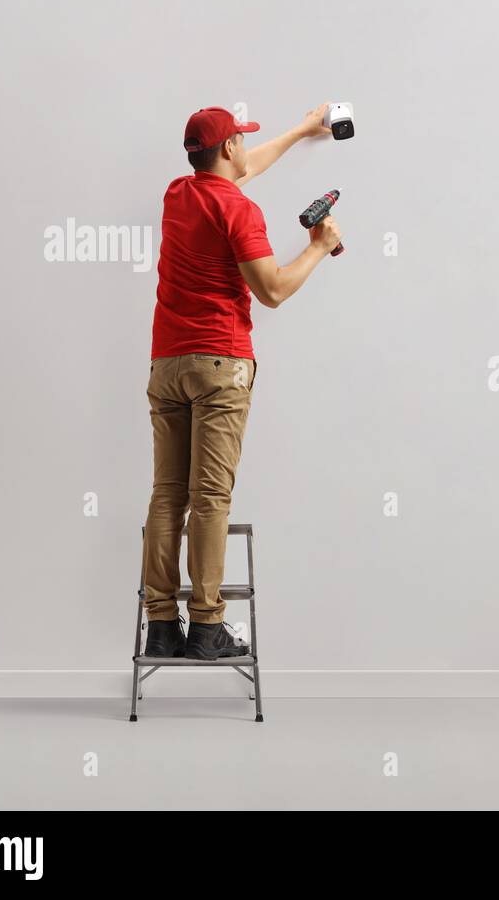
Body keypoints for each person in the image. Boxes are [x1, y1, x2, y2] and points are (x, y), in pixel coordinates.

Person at [141, 104, 342, 659]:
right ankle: (207, 629)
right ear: (228, 147)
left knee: (167, 497)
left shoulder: (178, 195)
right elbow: (272, 290)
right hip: (220, 364)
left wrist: (303, 129)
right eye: (240, 140)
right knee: (210, 498)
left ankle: (161, 626)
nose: (244, 148)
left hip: (167, 363)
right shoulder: (242, 211)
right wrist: (318, 248)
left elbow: (244, 171)